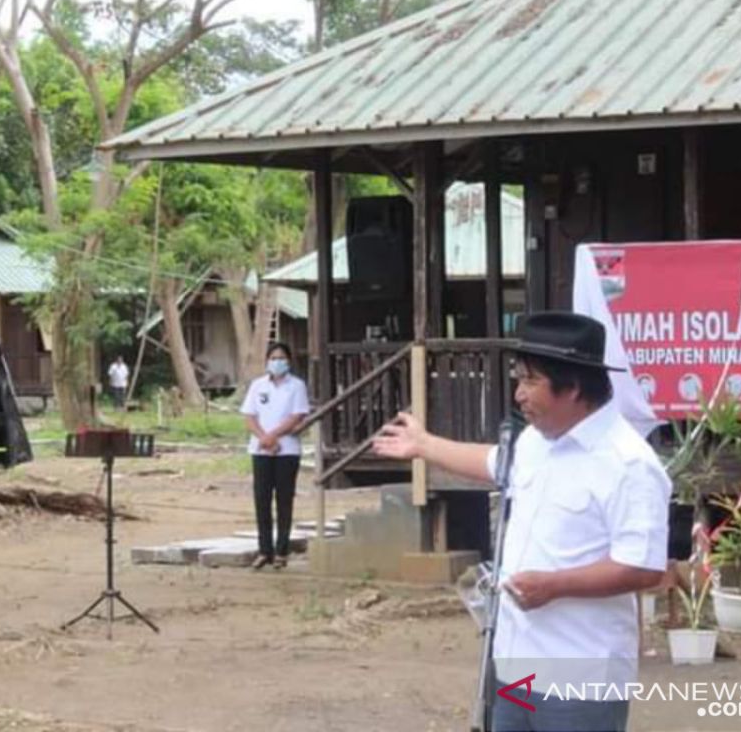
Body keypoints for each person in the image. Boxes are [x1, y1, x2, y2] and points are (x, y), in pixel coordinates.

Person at [374, 312, 670, 732]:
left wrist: (555, 585)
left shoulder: (628, 464)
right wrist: (424, 444)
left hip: (580, 677)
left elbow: (642, 566)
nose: (518, 395)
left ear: (573, 387)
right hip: (516, 666)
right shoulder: (535, 440)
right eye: (519, 380)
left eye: (530, 381)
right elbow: (491, 462)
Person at [240, 342, 310, 570]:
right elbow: (249, 416)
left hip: (286, 449)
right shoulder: (257, 386)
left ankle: (282, 550)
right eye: (273, 358)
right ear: (267, 361)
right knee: (262, 499)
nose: (277, 362)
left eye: (281, 358)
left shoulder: (297, 386)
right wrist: (264, 438)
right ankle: (264, 550)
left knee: (284, 499)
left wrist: (273, 436)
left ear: (288, 361)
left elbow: (297, 415)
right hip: (261, 449)